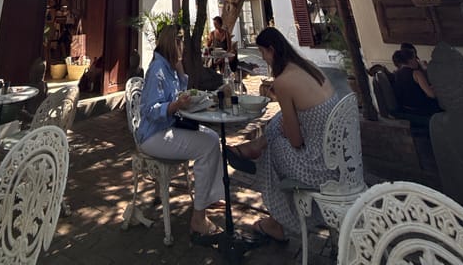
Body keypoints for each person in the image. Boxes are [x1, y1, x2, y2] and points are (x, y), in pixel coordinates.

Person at [225, 27, 338, 242]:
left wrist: (288, 129)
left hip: (318, 165)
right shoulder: (310, 68)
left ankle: (275, 222)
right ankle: (256, 145)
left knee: (274, 149)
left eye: (263, 53)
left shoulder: (284, 82)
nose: (263, 58)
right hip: (336, 155)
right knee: (277, 121)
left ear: (272, 50)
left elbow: (295, 142)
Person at [137, 24, 224, 242]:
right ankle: (198, 218)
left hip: (168, 128)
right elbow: (149, 110)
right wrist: (175, 105)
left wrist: (181, 72)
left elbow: (178, 94)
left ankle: (209, 196)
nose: (183, 46)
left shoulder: (169, 67)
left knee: (213, 138)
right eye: (180, 41)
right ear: (173, 43)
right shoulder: (157, 70)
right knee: (207, 146)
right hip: (153, 135)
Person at [392, 48, 440, 117]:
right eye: (415, 58)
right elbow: (432, 95)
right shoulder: (416, 73)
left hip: (405, 110)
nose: (417, 61)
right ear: (410, 60)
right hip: (421, 110)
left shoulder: (396, 73)